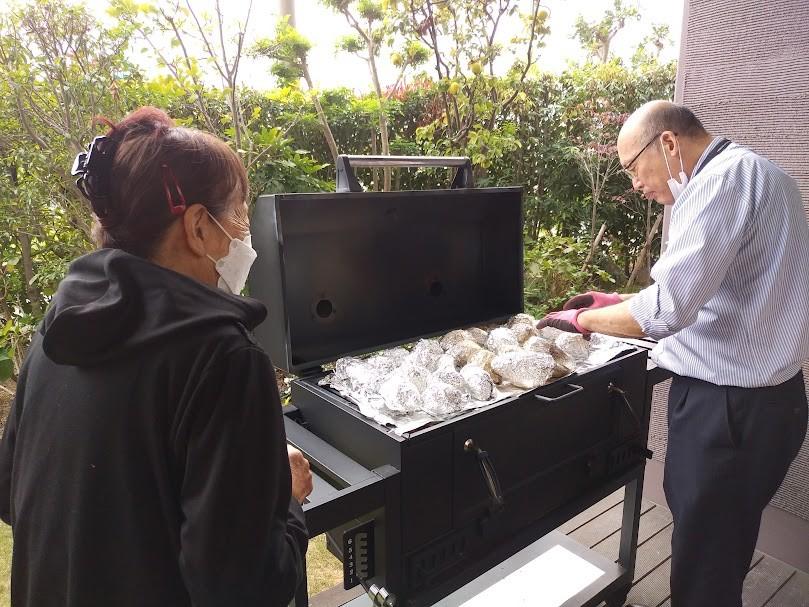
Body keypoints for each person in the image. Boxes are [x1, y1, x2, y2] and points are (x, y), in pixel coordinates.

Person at [0, 107, 312, 607]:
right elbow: (244, 590)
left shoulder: (57, 332)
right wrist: (287, 503)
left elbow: (13, 495)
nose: (243, 231)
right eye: (237, 212)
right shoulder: (224, 359)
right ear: (197, 227)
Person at [539, 100, 809, 607]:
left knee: (703, 566)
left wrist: (579, 320)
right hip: (776, 404)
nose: (635, 184)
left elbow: (665, 311)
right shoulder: (767, 174)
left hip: (727, 411)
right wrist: (615, 301)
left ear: (667, 143)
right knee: (723, 546)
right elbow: (723, 287)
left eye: (632, 168)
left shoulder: (719, 182)